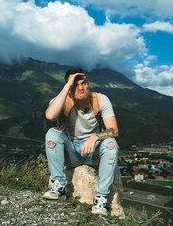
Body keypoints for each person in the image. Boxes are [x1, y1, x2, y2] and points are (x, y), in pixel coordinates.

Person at [43, 68, 119, 216]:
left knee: (111, 144)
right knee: (52, 133)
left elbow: (114, 130)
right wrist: (67, 86)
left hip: (93, 151)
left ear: (88, 84)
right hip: (71, 152)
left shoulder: (100, 99)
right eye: (75, 85)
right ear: (69, 88)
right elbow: (50, 116)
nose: (81, 87)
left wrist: (95, 137)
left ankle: (100, 198)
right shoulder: (62, 100)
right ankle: (59, 186)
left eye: (83, 83)